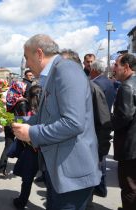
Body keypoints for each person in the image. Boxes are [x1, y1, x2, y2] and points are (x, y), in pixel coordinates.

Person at [12, 34, 101, 210]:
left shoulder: (66, 70)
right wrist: (15, 121)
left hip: (72, 175)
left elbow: (73, 123)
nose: (27, 64)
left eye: (27, 58)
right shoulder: (55, 73)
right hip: (59, 172)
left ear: (39, 53)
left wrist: (31, 133)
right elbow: (46, 116)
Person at [61, 49, 112, 199]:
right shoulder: (81, 83)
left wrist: (101, 149)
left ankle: (96, 190)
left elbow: (104, 121)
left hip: (91, 141)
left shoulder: (92, 86)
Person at [112, 53, 136, 210]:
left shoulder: (127, 86)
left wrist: (109, 122)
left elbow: (124, 116)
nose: (114, 69)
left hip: (130, 146)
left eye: (116, 65)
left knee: (129, 187)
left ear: (126, 67)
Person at [12, 84, 41, 209]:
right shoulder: (47, 109)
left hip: (34, 149)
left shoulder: (35, 111)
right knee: (29, 178)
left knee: (27, 178)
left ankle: (22, 201)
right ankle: (22, 200)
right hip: (40, 149)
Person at [0, 81, 27, 177]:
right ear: (19, 88)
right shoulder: (22, 101)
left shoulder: (10, 97)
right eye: (23, 87)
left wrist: (3, 124)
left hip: (8, 124)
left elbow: (4, 111)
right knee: (24, 148)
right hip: (18, 125)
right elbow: (24, 117)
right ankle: (21, 169)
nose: (24, 89)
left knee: (7, 146)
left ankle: (1, 169)